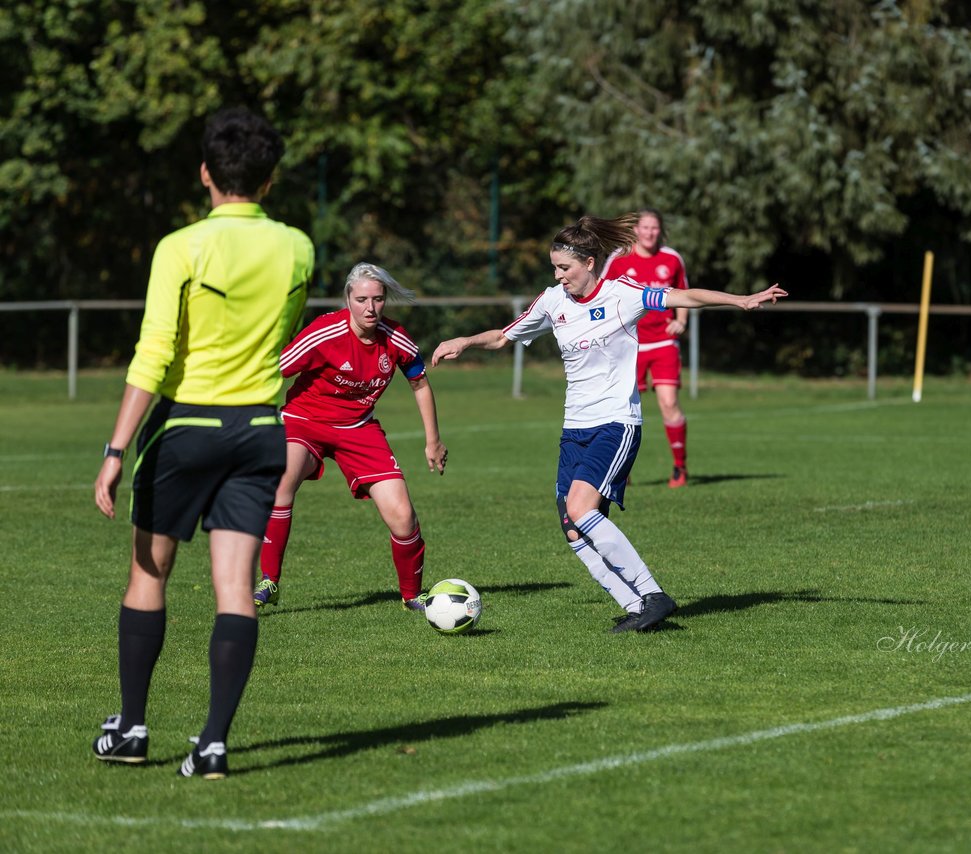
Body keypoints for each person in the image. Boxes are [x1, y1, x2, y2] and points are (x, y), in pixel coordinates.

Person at [92, 107, 314, 779]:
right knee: (235, 588)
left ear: (205, 174)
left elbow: (153, 354)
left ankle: (131, 729)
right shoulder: (298, 247)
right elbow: (280, 337)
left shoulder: (180, 247)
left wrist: (113, 452)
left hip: (186, 427)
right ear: (270, 179)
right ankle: (213, 744)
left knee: (149, 574)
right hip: (259, 431)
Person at [431, 214, 786, 633]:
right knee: (572, 528)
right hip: (573, 430)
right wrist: (464, 341)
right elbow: (504, 336)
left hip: (616, 424)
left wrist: (740, 300)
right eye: (554, 268)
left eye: (564, 268)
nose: (558, 276)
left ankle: (653, 595)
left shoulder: (624, 295)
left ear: (589, 262)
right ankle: (637, 607)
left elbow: (683, 297)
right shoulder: (552, 302)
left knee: (581, 510)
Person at [252, 263, 447, 612]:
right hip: (304, 422)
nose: (370, 308)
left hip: (358, 429)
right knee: (282, 481)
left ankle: (412, 596)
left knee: (403, 516)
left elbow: (419, 383)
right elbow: (271, 371)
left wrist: (433, 440)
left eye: (377, 299)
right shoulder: (324, 333)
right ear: (348, 299)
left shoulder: (395, 338)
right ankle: (269, 580)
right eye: (361, 299)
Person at [602, 209, 691, 487]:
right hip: (630, 344)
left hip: (664, 343)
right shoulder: (619, 258)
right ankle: (622, 469)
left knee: (668, 403)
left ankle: (680, 467)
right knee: (625, 408)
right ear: (636, 230)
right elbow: (602, 292)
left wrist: (681, 320)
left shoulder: (671, 258)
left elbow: (684, 292)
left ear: (659, 230)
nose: (650, 232)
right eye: (645, 227)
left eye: (654, 227)